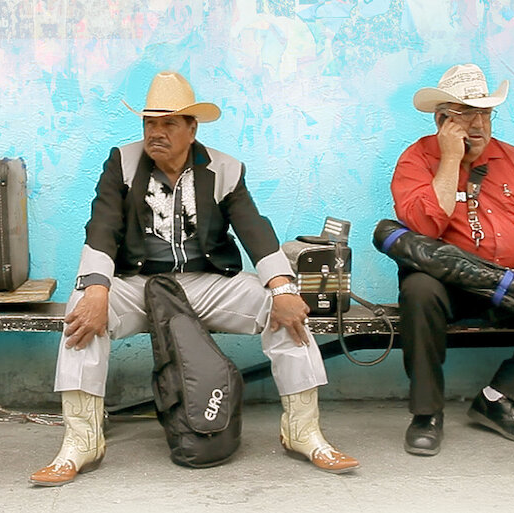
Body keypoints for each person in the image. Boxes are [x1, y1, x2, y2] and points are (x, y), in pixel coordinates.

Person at [29, 71, 359, 486]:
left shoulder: (224, 168)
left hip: (207, 282)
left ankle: (303, 431)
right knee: (82, 310)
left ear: (192, 129)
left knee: (286, 308)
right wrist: (95, 288)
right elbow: (102, 226)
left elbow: (254, 229)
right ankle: (82, 441)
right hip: (139, 285)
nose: (156, 132)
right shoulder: (122, 162)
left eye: (169, 123)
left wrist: (283, 287)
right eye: (150, 123)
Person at [391, 63, 514, 456]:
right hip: (448, 284)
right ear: (442, 120)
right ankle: (426, 413)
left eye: (485, 113)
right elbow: (424, 226)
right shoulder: (416, 159)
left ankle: (503, 398)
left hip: (509, 281)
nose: (478, 124)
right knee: (418, 291)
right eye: (466, 114)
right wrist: (450, 160)